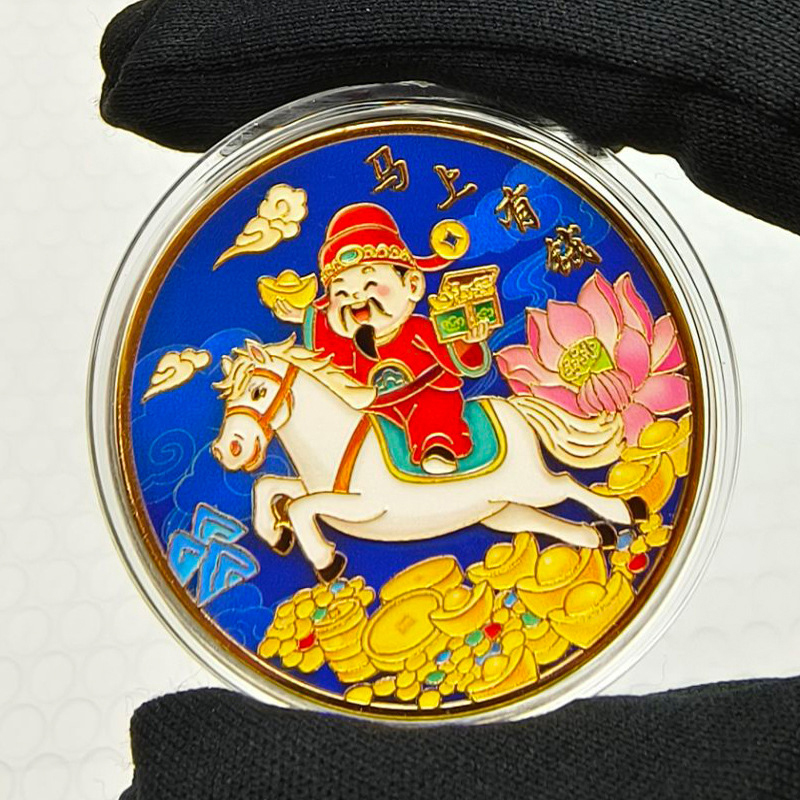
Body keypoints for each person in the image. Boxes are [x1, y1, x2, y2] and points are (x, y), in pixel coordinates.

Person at [273, 202, 492, 475]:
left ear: (412, 285)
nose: (355, 296)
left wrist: (468, 341)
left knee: (433, 413)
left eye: (370, 285)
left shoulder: (419, 329)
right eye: (340, 293)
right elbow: (326, 348)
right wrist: (305, 317)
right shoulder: (348, 345)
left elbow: (455, 359)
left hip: (424, 396)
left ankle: (437, 445)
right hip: (374, 408)